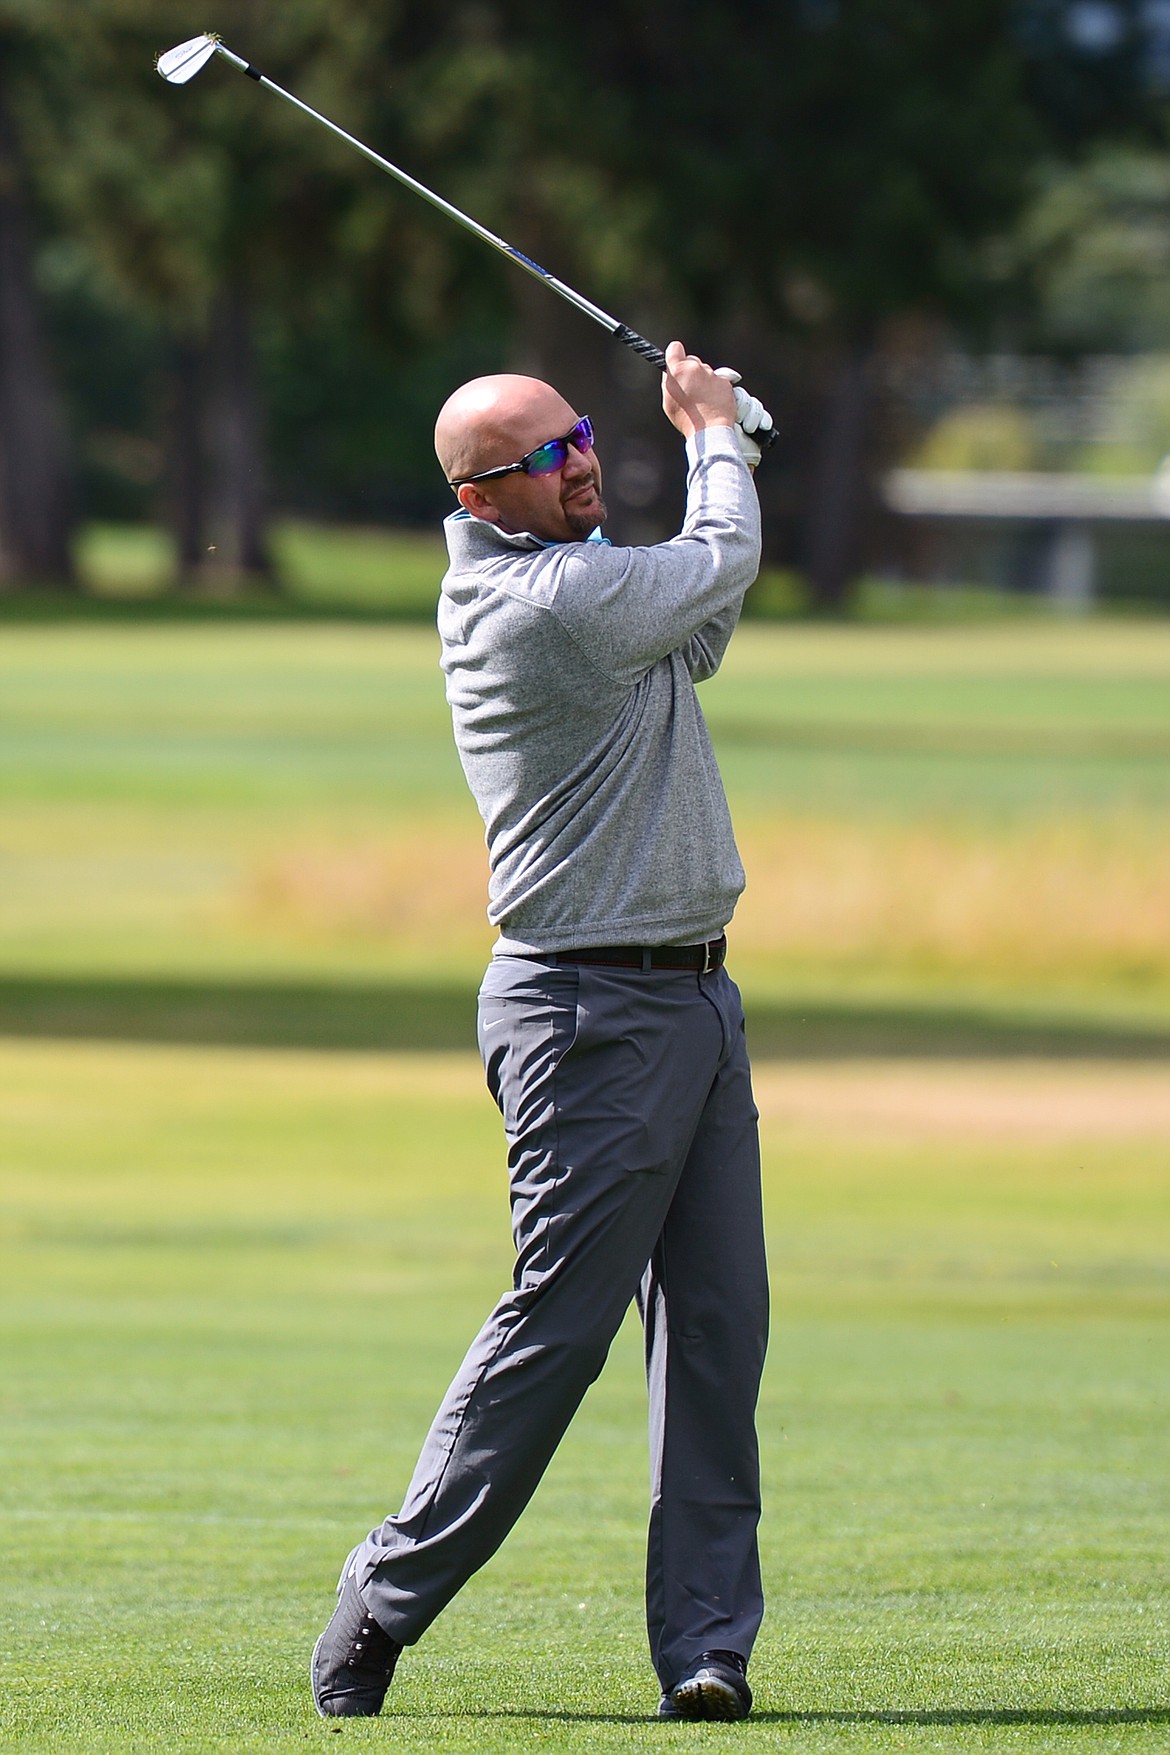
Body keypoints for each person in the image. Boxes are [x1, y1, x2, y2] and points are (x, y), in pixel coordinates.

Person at [311, 340, 770, 1723]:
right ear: (482, 497)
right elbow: (710, 566)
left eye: (584, 441)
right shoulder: (535, 603)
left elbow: (701, 612)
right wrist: (718, 438)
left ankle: (705, 1647)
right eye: (552, 459)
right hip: (588, 1008)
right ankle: (385, 1593)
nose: (584, 466)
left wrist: (715, 458)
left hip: (693, 992)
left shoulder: (583, 578)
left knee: (715, 1333)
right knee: (559, 1326)